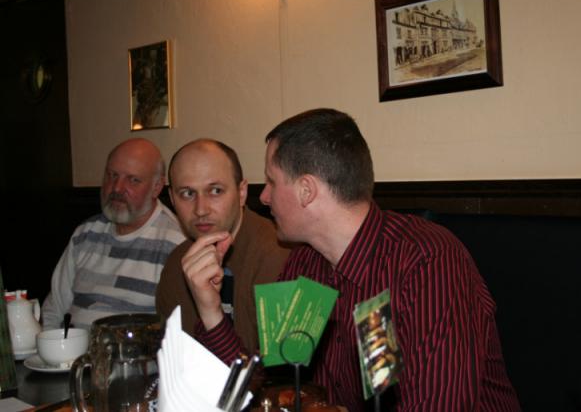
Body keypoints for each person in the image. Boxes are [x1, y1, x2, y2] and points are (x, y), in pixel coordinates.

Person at [186, 109, 520, 411]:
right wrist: (210, 308)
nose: (264, 197)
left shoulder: (426, 261)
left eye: (272, 181)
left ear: (306, 190)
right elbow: (271, 390)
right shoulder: (305, 265)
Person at [155, 139, 289, 353]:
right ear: (172, 199)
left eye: (215, 191)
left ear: (242, 192)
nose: (201, 210)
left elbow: (275, 369)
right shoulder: (175, 266)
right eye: (187, 194)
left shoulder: (280, 256)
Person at [41, 138, 186, 330]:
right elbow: (54, 310)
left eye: (133, 180)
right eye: (112, 175)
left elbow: (180, 330)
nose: (117, 188)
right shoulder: (85, 233)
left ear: (157, 187)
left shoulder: (176, 244)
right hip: (71, 348)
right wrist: (50, 344)